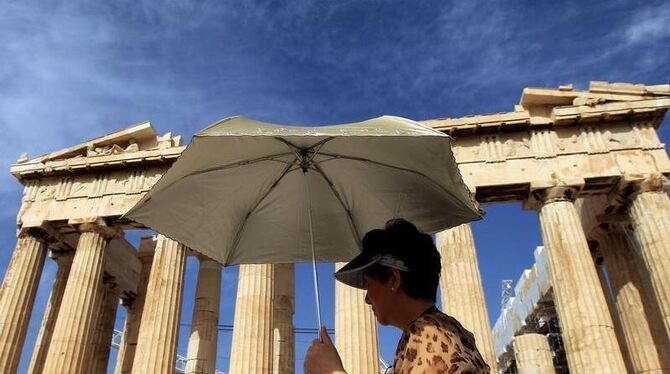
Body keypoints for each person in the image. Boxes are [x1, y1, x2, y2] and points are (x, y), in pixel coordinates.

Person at [304, 218, 490, 374]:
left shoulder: (427, 338)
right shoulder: (450, 330)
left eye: (369, 284)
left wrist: (334, 371)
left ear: (393, 279)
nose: (366, 298)